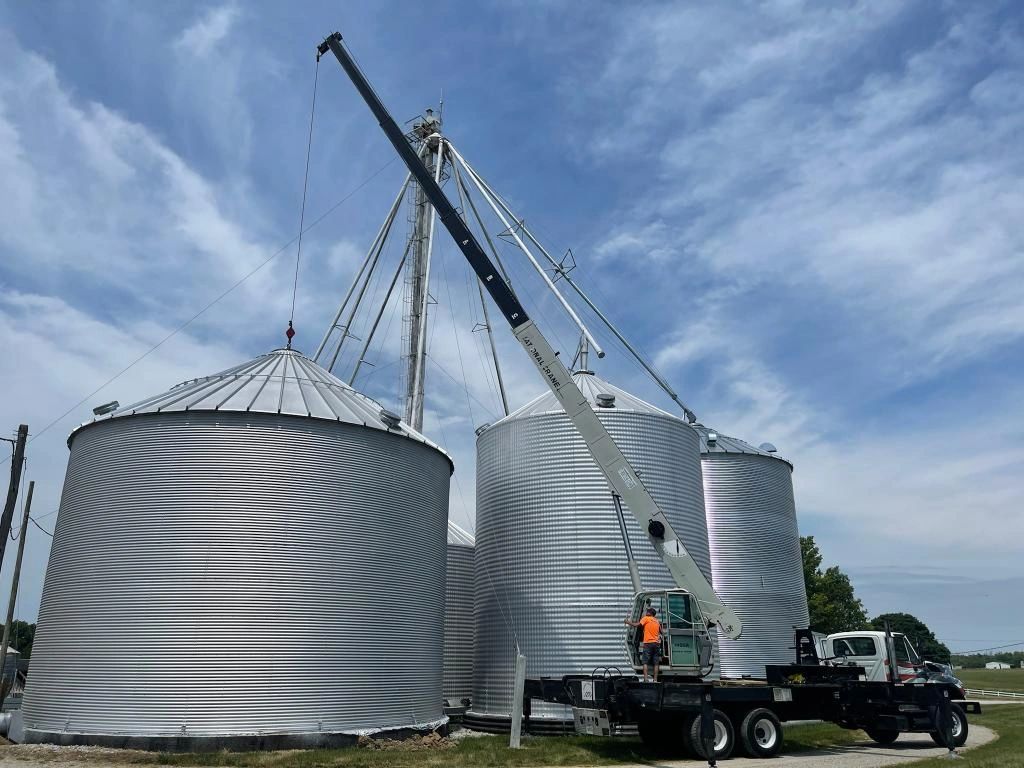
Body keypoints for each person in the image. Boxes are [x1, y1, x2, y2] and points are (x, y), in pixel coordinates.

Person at [625, 607, 662, 682]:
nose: (646, 613)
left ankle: (646, 679)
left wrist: (627, 622)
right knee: (656, 663)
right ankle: (655, 680)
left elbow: (636, 625)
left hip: (648, 643)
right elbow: (661, 632)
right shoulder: (657, 621)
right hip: (656, 644)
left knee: (645, 662)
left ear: (650, 613)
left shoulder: (646, 618)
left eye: (647, 611)